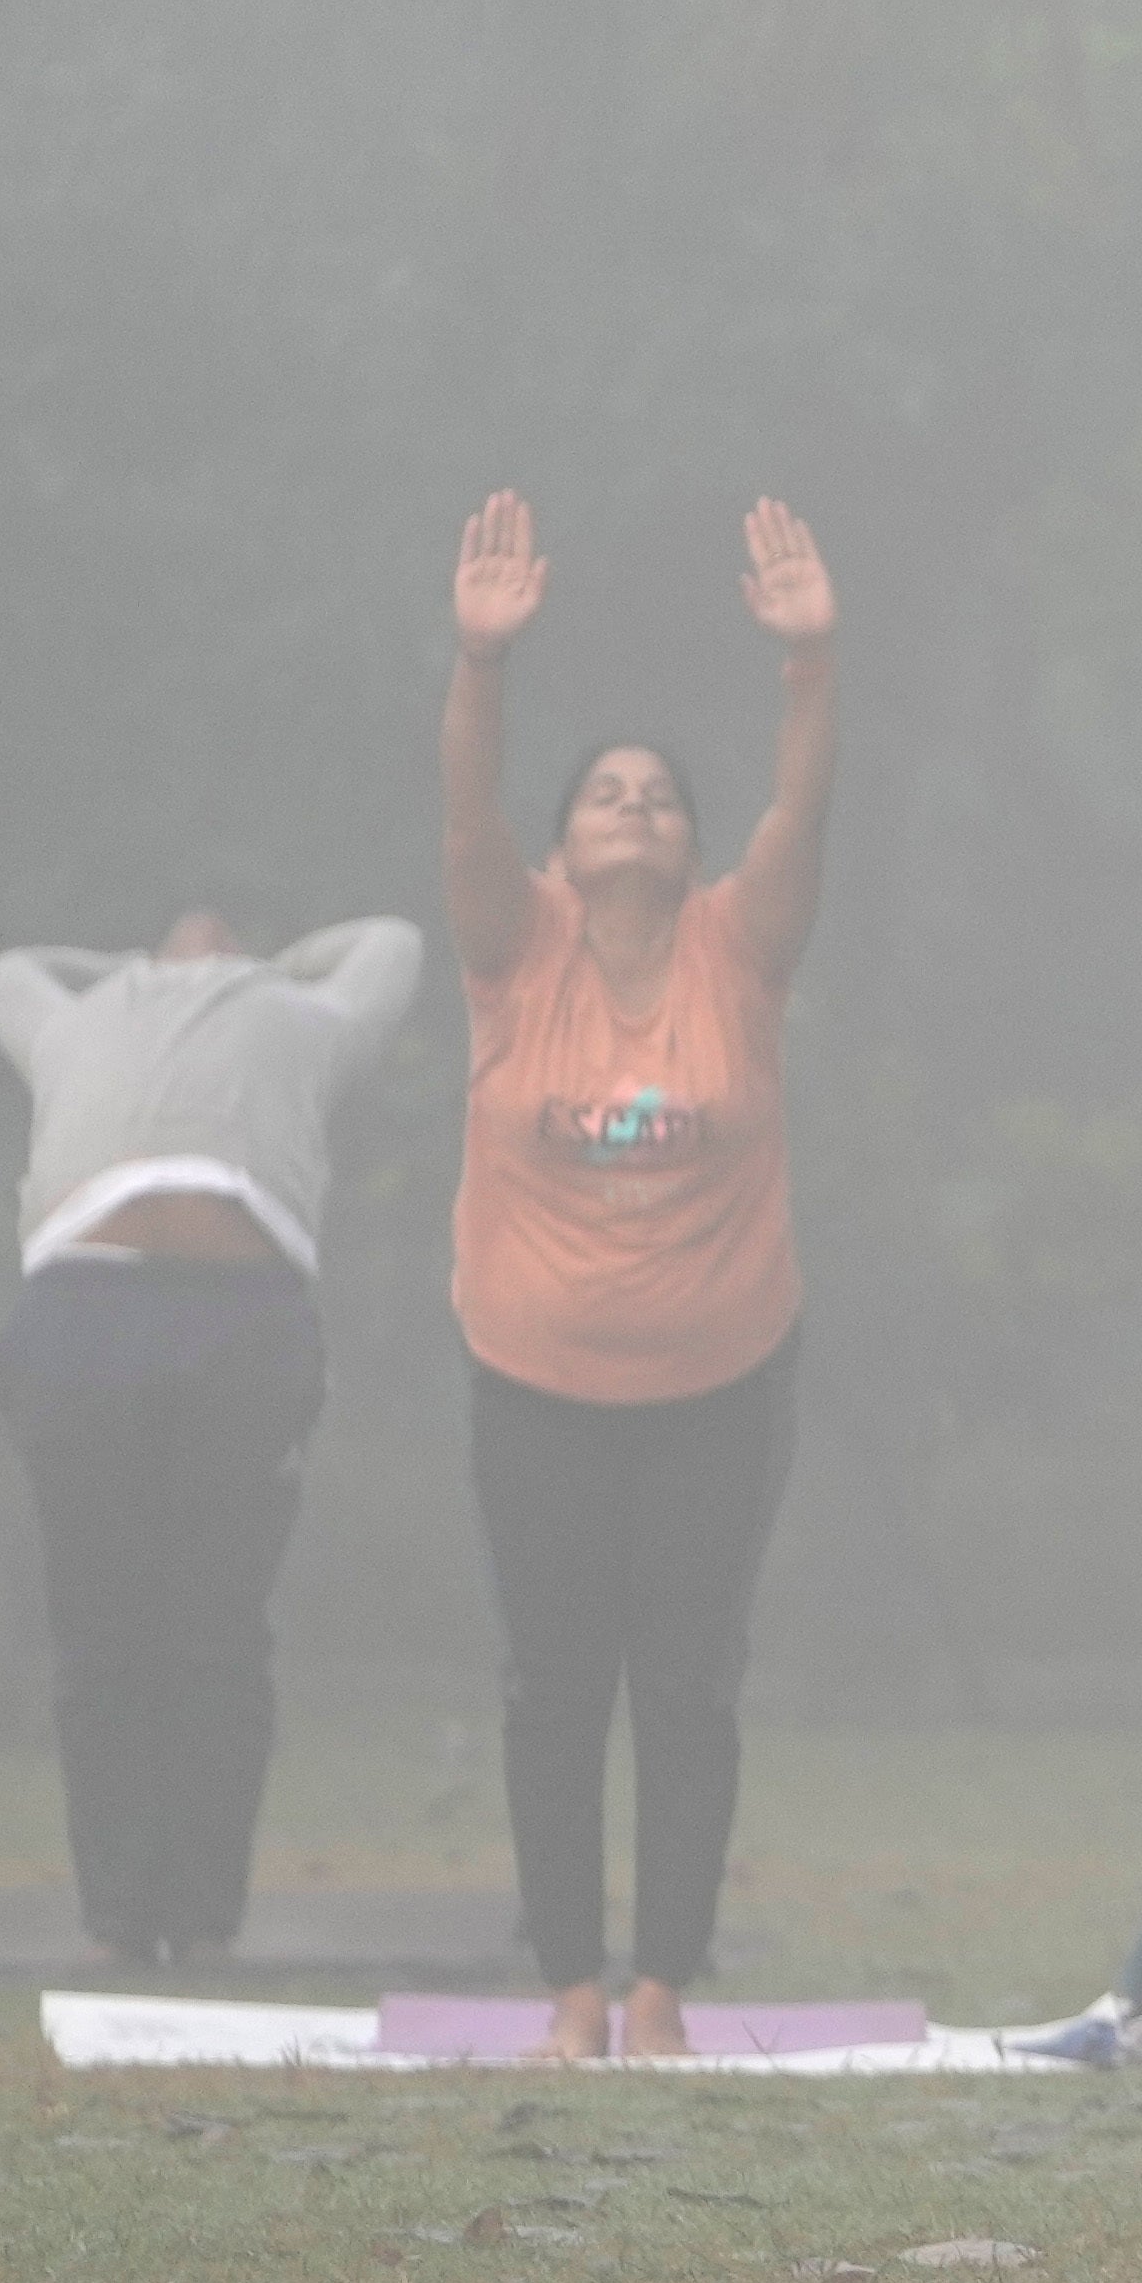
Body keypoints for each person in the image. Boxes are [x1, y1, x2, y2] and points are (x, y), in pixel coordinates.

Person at [433, 489, 841, 2062]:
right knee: (552, 1687)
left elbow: (803, 820)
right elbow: (463, 817)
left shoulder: (742, 947)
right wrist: (482, 664)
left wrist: (811, 667)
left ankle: (662, 1987)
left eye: (661, 794)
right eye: (604, 791)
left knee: (688, 1684)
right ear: (561, 843)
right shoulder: (512, 945)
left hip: (721, 1384)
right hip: (532, 1379)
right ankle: (570, 1990)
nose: (635, 807)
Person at [0, 901, 428, 1966]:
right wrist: (138, 967)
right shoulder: (75, 1025)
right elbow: (11, 960)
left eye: (224, 931)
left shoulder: (298, 1017)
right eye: (183, 930)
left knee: (216, 1630)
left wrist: (254, 966)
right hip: (80, 1310)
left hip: (242, 1317)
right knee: (99, 1631)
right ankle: (121, 1916)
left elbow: (392, 942)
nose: (202, 930)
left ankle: (203, 1916)